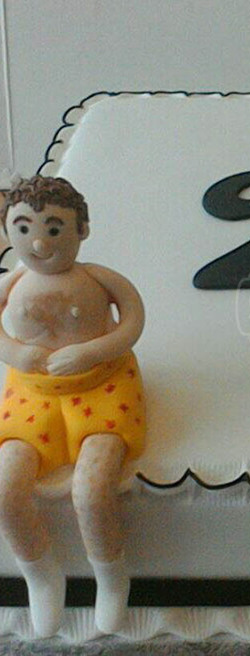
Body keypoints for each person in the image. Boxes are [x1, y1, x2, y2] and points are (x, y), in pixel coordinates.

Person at [0, 175, 145, 636]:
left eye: (54, 228)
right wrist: (15, 352)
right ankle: (41, 576)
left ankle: (112, 578)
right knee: (4, 489)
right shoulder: (12, 282)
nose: (39, 242)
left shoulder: (100, 279)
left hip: (103, 389)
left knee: (91, 489)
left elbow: (133, 320)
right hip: (33, 396)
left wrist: (92, 351)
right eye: (23, 228)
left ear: (82, 229)